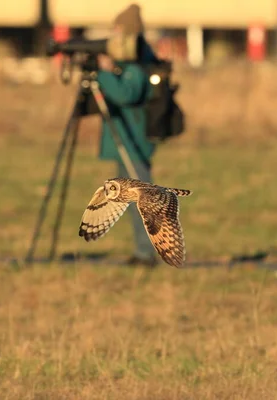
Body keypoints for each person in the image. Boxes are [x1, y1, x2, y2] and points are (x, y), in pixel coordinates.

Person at [96, 3, 161, 267]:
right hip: (125, 137)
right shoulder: (131, 63)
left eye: (118, 29)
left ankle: (149, 252)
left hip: (134, 141)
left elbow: (125, 94)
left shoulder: (137, 65)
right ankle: (143, 250)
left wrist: (104, 72)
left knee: (143, 199)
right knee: (133, 197)